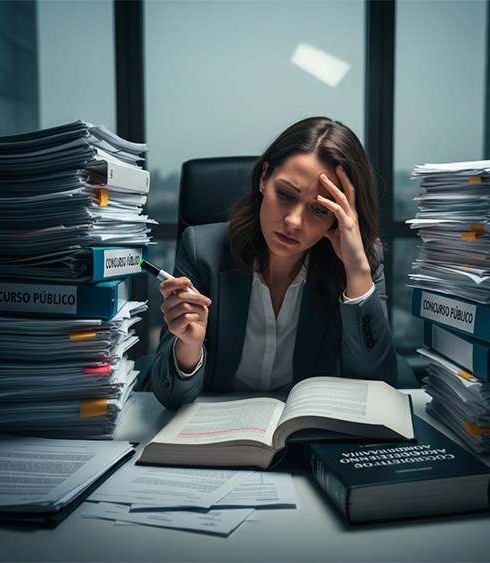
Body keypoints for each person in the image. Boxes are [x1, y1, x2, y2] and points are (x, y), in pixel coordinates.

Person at [149, 117, 397, 409]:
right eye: (285, 195)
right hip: (216, 434)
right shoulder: (201, 250)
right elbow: (170, 397)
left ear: (341, 216)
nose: (293, 221)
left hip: (305, 435)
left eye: (319, 209)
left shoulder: (358, 265)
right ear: (264, 178)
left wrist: (356, 269)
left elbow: (378, 386)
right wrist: (189, 347)